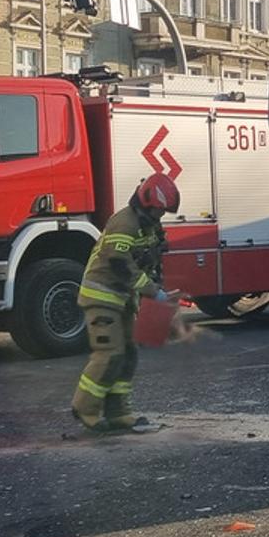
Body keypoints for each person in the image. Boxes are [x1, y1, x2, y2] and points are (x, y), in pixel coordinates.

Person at [71, 174, 179, 433]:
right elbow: (119, 264)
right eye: (158, 210)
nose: (160, 215)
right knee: (109, 353)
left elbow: (151, 257)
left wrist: (158, 284)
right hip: (101, 296)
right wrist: (153, 292)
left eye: (163, 212)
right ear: (146, 202)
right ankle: (85, 408)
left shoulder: (149, 225)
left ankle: (118, 413)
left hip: (122, 298)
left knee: (128, 354)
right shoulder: (124, 223)